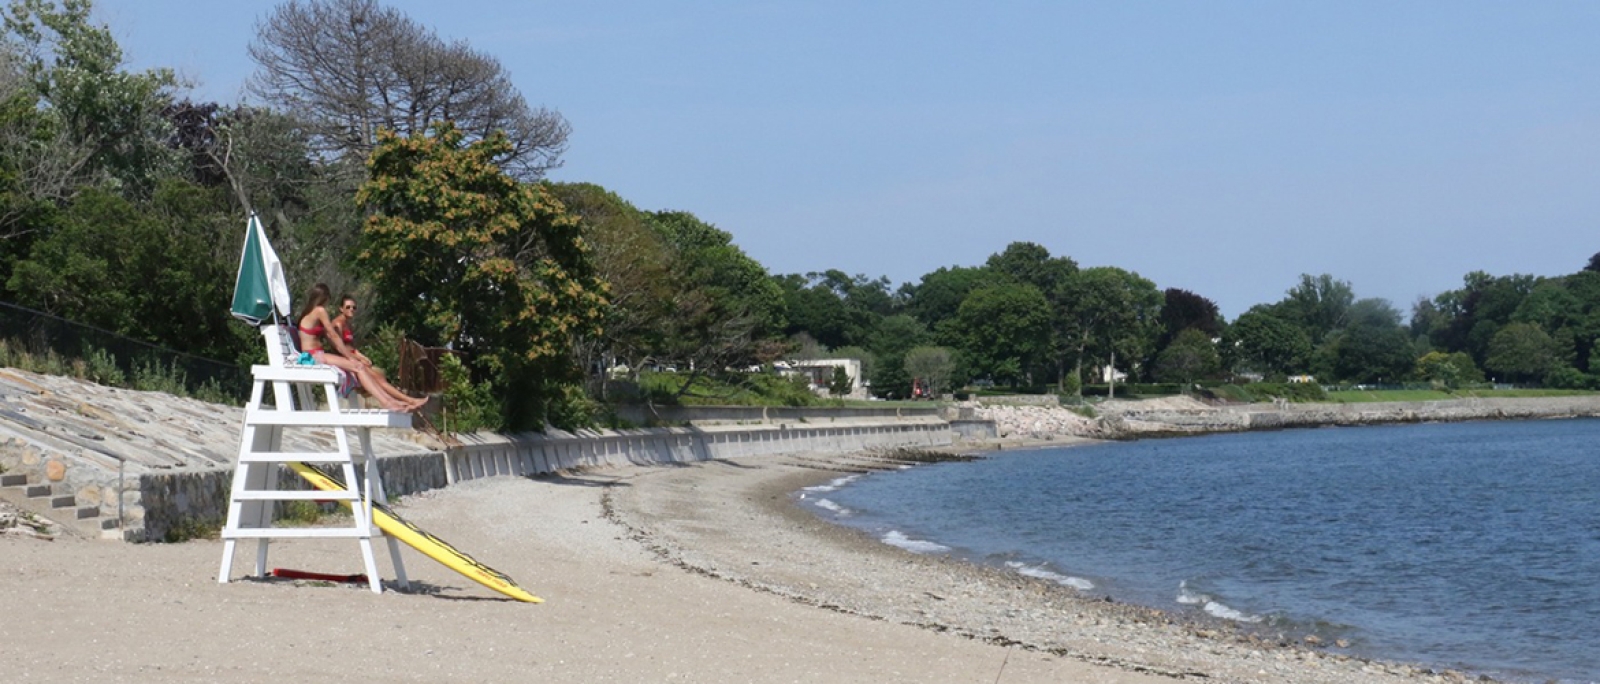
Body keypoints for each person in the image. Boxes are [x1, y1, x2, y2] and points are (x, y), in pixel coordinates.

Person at [297, 284, 424, 412]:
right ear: (324, 298)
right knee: (358, 367)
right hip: (313, 355)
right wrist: (349, 357)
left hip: (316, 354)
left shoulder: (310, 313)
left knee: (361, 367)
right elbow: (334, 336)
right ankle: (388, 402)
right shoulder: (319, 310)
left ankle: (391, 401)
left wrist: (354, 357)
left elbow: (330, 337)